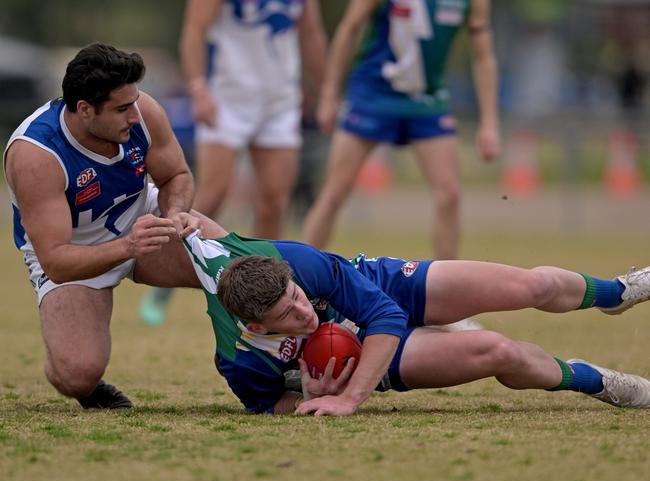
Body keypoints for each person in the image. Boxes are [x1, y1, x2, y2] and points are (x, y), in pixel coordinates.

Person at [180, 229, 650, 415]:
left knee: (531, 288)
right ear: (258, 327)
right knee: (499, 352)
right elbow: (268, 405)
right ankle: (596, 381)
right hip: (371, 357)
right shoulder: (239, 361)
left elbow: (385, 313)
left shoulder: (298, 262)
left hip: (380, 288)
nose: (303, 310)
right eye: (286, 315)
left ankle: (616, 292)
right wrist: (311, 397)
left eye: (298, 297)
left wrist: (350, 400)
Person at [2, 43, 224, 409]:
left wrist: (174, 214)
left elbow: (176, 175)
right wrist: (128, 247)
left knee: (240, 268)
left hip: (145, 222)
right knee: (78, 373)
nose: (135, 115)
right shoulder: (36, 155)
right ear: (85, 110)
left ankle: (281, 364)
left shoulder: (143, 111)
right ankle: (64, 363)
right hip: (72, 256)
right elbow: (56, 261)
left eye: (134, 102)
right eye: (122, 109)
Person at [139, 0, 328, 326]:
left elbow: (311, 34)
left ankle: (268, 290)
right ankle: (167, 281)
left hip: (280, 101)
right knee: (211, 196)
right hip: (227, 97)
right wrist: (197, 89)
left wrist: (326, 91)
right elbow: (195, 30)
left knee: (273, 201)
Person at [303, 0, 501, 259]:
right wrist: (329, 94)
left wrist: (489, 123)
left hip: (427, 100)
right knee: (334, 192)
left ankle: (448, 286)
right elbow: (349, 28)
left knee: (449, 194)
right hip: (372, 96)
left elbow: (483, 56)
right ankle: (300, 276)